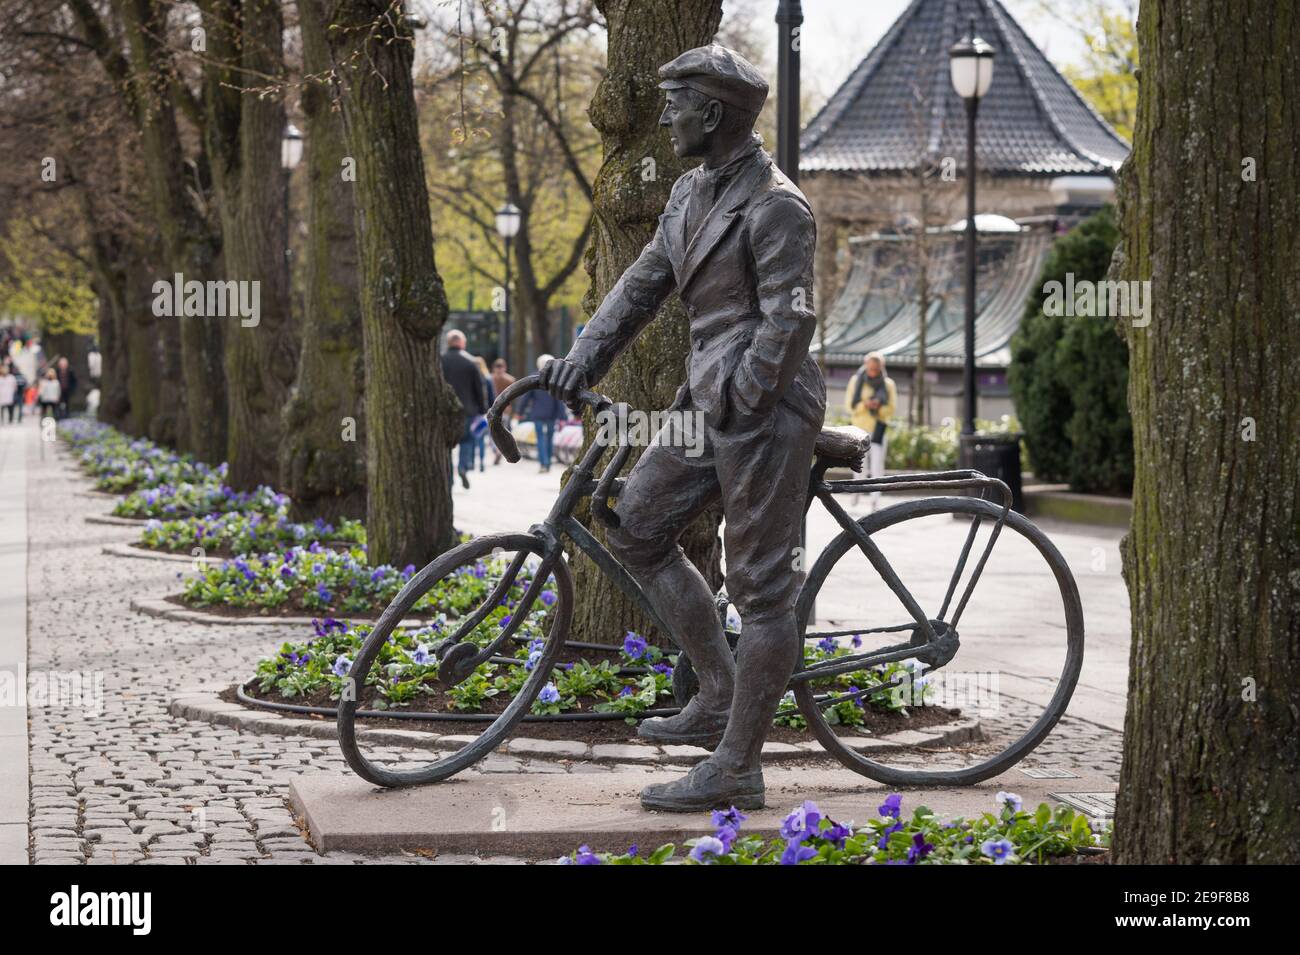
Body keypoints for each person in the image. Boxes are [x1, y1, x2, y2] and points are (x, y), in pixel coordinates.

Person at [538, 44, 824, 811]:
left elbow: (791, 317)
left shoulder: (775, 203)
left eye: (677, 103)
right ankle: (718, 689)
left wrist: (744, 395)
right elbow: (641, 285)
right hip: (711, 401)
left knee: (764, 590)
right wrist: (581, 360)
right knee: (635, 524)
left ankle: (738, 763)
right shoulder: (690, 192)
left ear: (716, 112)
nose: (666, 117)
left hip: (764, 407)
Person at [845, 352, 897, 509]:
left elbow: (891, 408)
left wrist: (878, 406)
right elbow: (849, 406)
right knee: (859, 463)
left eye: (876, 368)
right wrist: (864, 405)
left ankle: (875, 498)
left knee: (876, 464)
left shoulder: (888, 384)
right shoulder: (856, 381)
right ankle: (856, 492)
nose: (873, 371)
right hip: (859, 428)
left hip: (878, 428)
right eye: (871, 367)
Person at [440, 329, 488, 489]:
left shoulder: (439, 361)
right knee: (466, 441)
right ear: (462, 343)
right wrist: (482, 409)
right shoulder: (471, 363)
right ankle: (462, 467)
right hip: (467, 410)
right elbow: (479, 389)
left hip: (444, 411)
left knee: (445, 445)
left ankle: (448, 477)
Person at [516, 354, 567, 473]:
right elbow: (559, 399)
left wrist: (520, 411)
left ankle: (543, 463)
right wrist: (562, 416)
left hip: (538, 414)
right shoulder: (555, 378)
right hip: (551, 414)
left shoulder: (534, 377)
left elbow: (526, 396)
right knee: (549, 438)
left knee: (540, 439)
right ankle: (548, 462)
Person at [490, 358, 516, 465]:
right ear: (504, 367)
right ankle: (500, 450)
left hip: (492, 409)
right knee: (504, 431)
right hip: (506, 409)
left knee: (492, 432)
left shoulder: (490, 378)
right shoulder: (510, 379)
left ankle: (496, 449)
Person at [472, 355, 495, 472]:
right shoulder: (487, 378)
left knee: (472, 437)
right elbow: (492, 397)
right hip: (483, 412)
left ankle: (471, 462)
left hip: (472, 412)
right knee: (481, 438)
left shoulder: (469, 379)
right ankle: (481, 461)